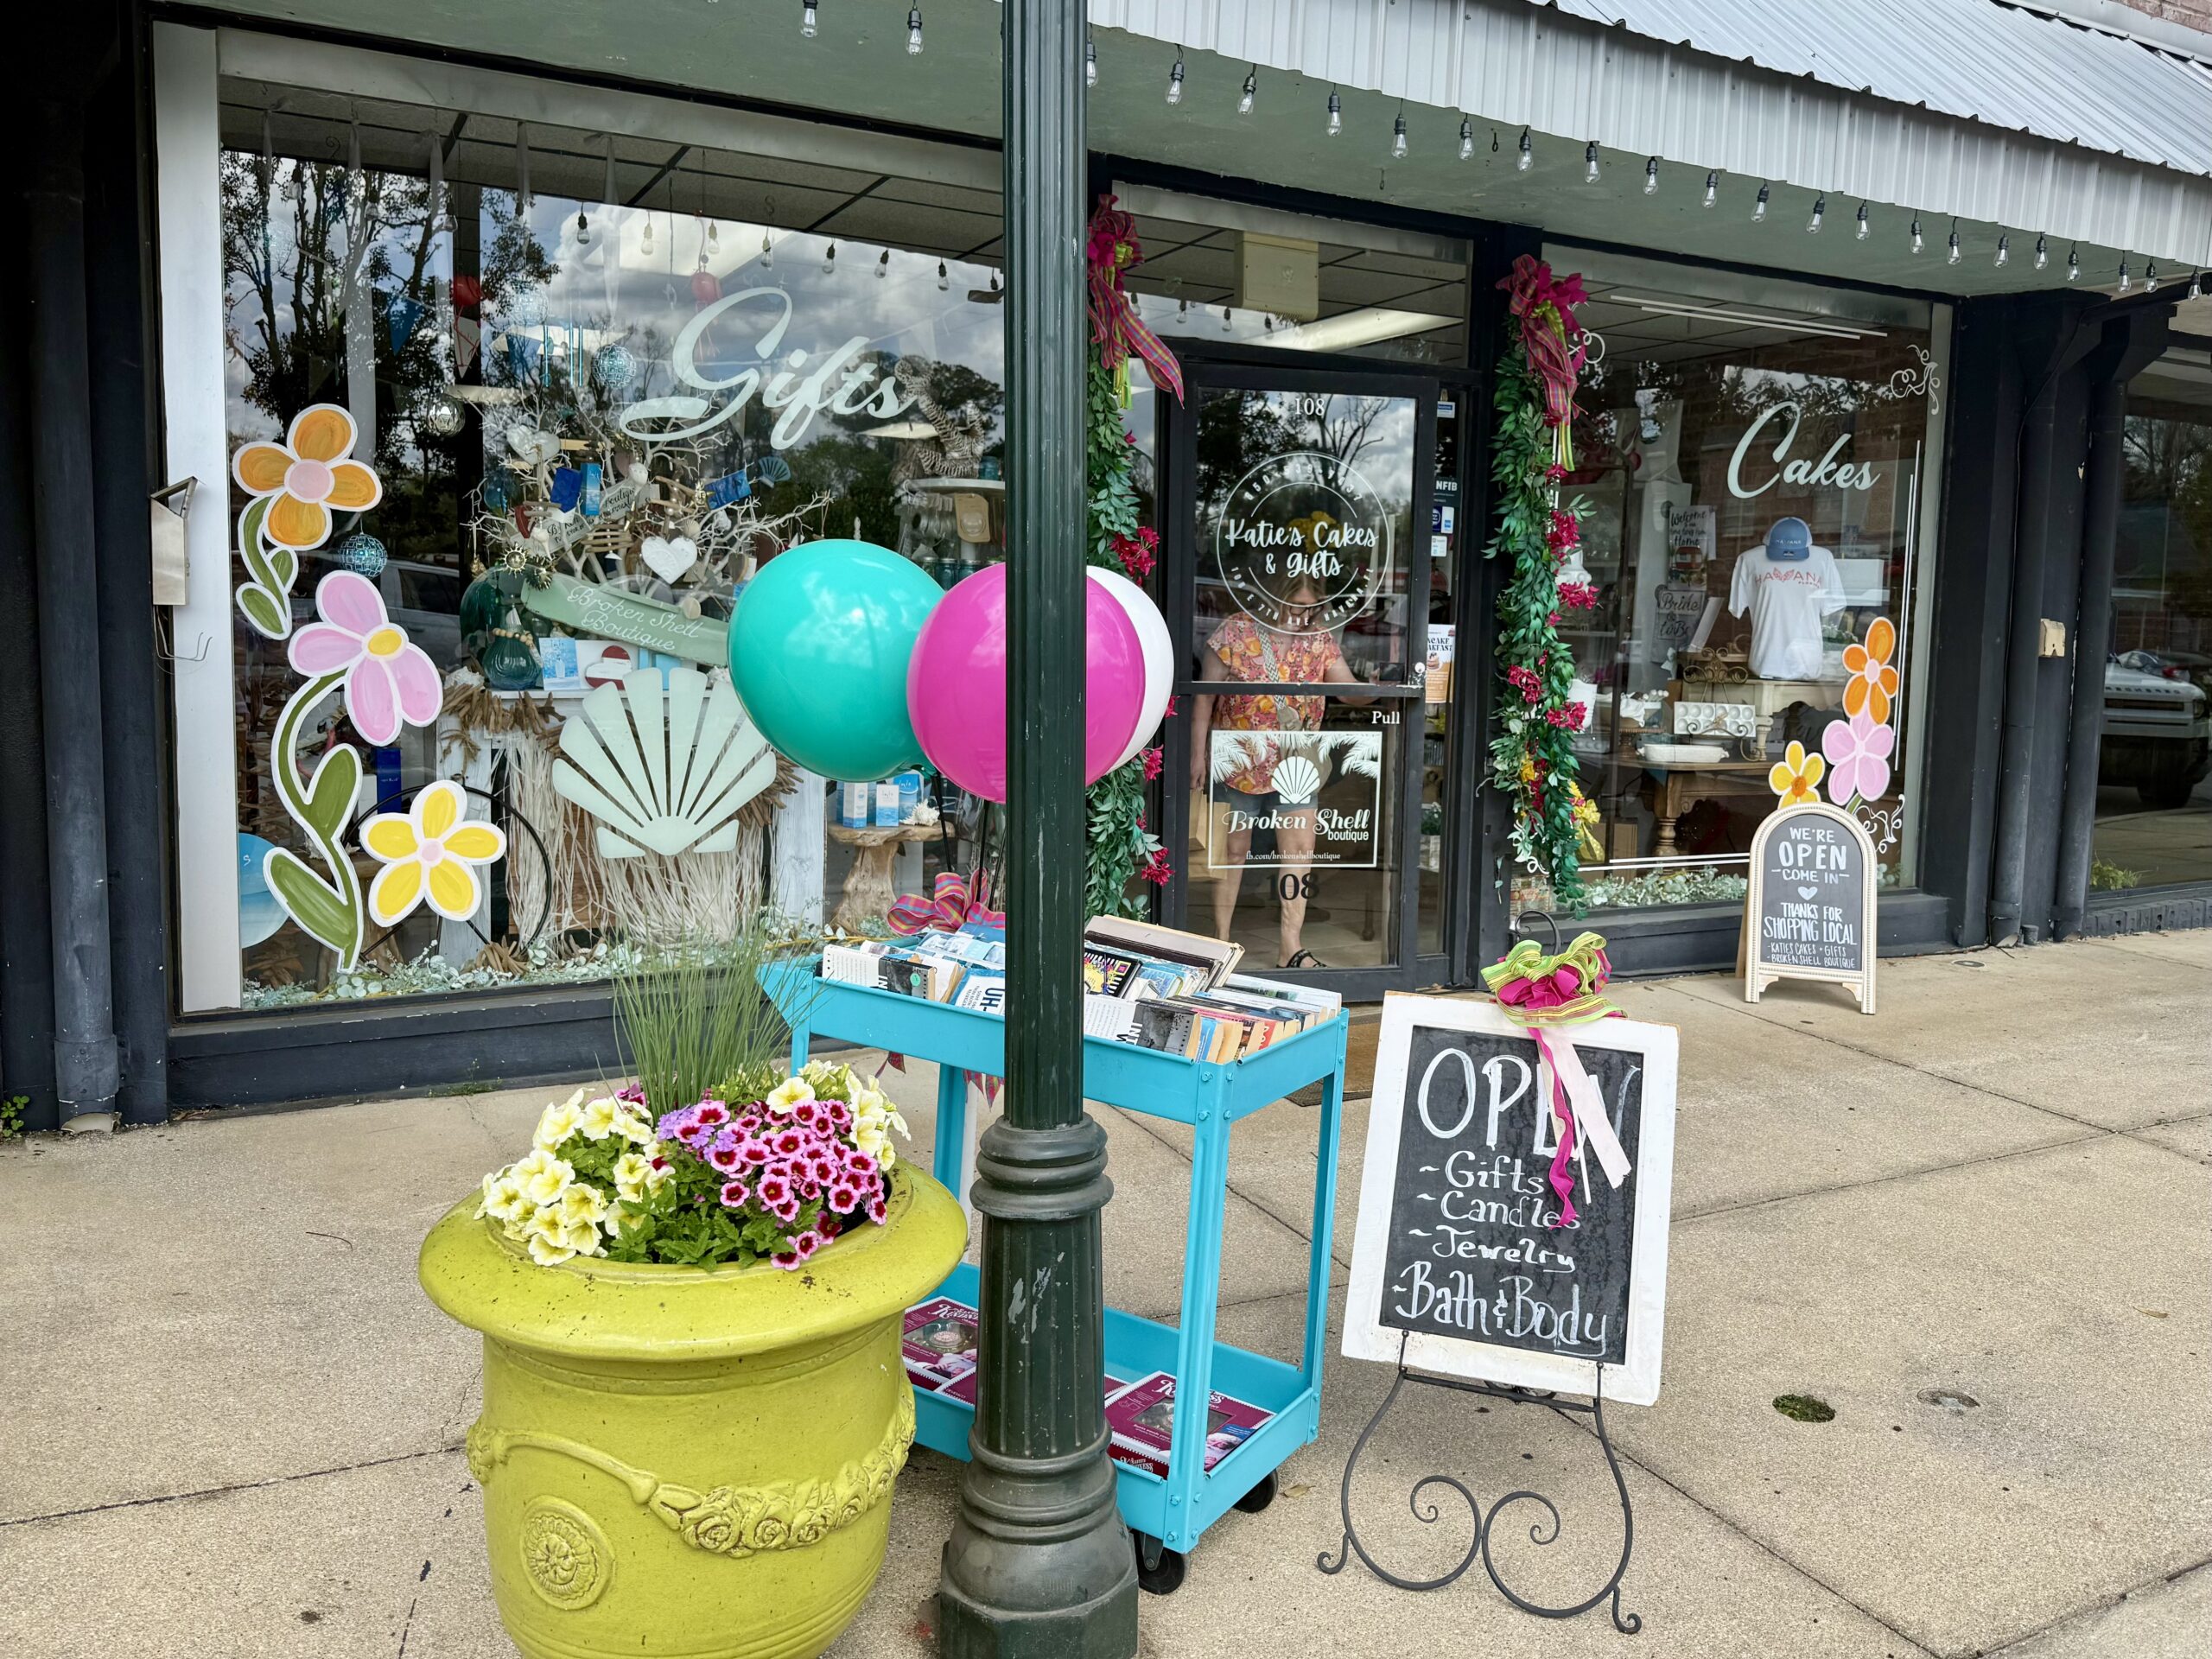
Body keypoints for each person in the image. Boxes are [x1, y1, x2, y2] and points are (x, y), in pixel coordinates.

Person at [1189, 577, 1373, 967]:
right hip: (1239, 760)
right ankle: (1221, 941)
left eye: (1310, 608)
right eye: (1295, 605)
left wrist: (1391, 685)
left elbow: (1347, 691)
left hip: (1296, 764)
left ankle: (1291, 945)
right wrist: (1197, 757)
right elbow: (1204, 696)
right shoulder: (1236, 630)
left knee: (1300, 850)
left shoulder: (1318, 638)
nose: (1301, 615)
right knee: (1233, 852)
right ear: (1273, 599)